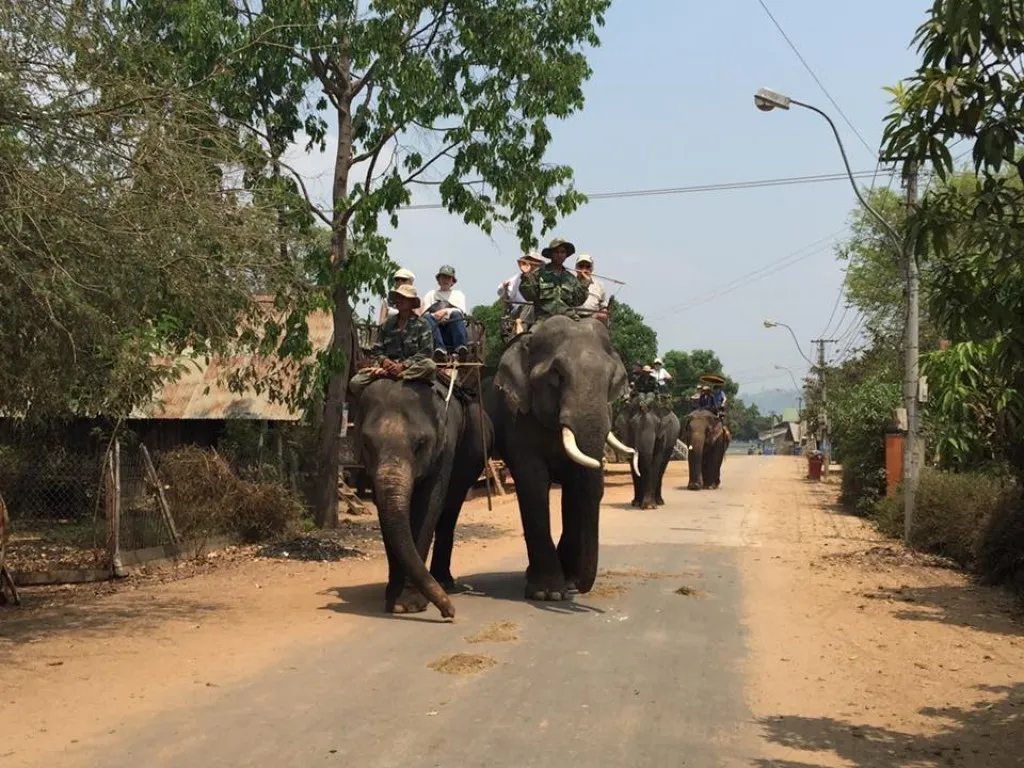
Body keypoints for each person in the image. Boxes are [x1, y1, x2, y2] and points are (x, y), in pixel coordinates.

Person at [350, 284, 436, 399]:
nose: (399, 301)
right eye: (398, 298)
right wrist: (384, 360)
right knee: (355, 383)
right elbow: (377, 350)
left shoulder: (422, 324)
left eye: (404, 298)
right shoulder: (388, 323)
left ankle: (402, 375)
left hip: (410, 368)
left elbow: (426, 352)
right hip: (386, 369)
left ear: (411, 302)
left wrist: (403, 366)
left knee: (430, 365)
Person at [520, 237, 590, 322]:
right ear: (551, 254)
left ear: (566, 255)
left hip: (569, 318)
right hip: (544, 319)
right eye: (556, 252)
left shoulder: (571, 278)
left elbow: (578, 301)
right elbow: (529, 296)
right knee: (530, 335)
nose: (559, 255)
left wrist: (584, 284)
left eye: (562, 252)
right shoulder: (539, 274)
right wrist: (526, 275)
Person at [420, 264, 469, 362]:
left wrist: (445, 311)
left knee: (456, 314)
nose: (445, 280)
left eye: (448, 278)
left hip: (453, 328)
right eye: (443, 277)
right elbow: (423, 314)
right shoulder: (430, 294)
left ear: (452, 281)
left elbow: (461, 312)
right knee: (427, 317)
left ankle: (460, 347)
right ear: (438, 280)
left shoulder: (458, 295)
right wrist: (436, 317)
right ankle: (440, 349)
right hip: (435, 330)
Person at [498, 252, 543, 339]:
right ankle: (521, 333)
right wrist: (505, 286)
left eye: (535, 263)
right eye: (530, 262)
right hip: (519, 311)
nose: (533, 265)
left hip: (539, 312)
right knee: (529, 305)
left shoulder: (543, 278)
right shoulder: (519, 278)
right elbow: (500, 290)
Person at [574, 254, 608, 321]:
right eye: (581, 266)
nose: (584, 269)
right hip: (573, 316)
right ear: (576, 268)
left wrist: (603, 312)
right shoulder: (570, 282)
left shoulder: (599, 285)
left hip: (593, 318)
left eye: (587, 267)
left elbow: (603, 306)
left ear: (591, 269)